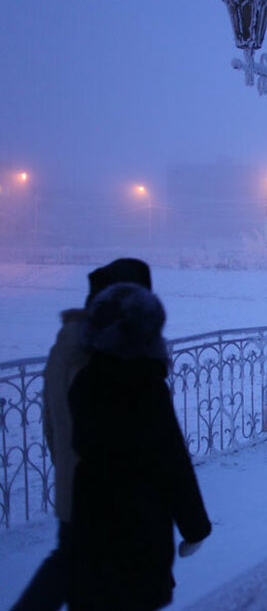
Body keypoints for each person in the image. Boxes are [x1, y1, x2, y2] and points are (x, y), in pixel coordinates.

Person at [12, 258, 155, 611]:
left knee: (75, 566)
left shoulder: (68, 346)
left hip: (78, 485)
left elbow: (51, 423)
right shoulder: (98, 352)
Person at [67, 280, 211, 610]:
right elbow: (171, 461)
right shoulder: (146, 388)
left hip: (91, 523)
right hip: (141, 525)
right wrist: (194, 527)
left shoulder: (83, 384)